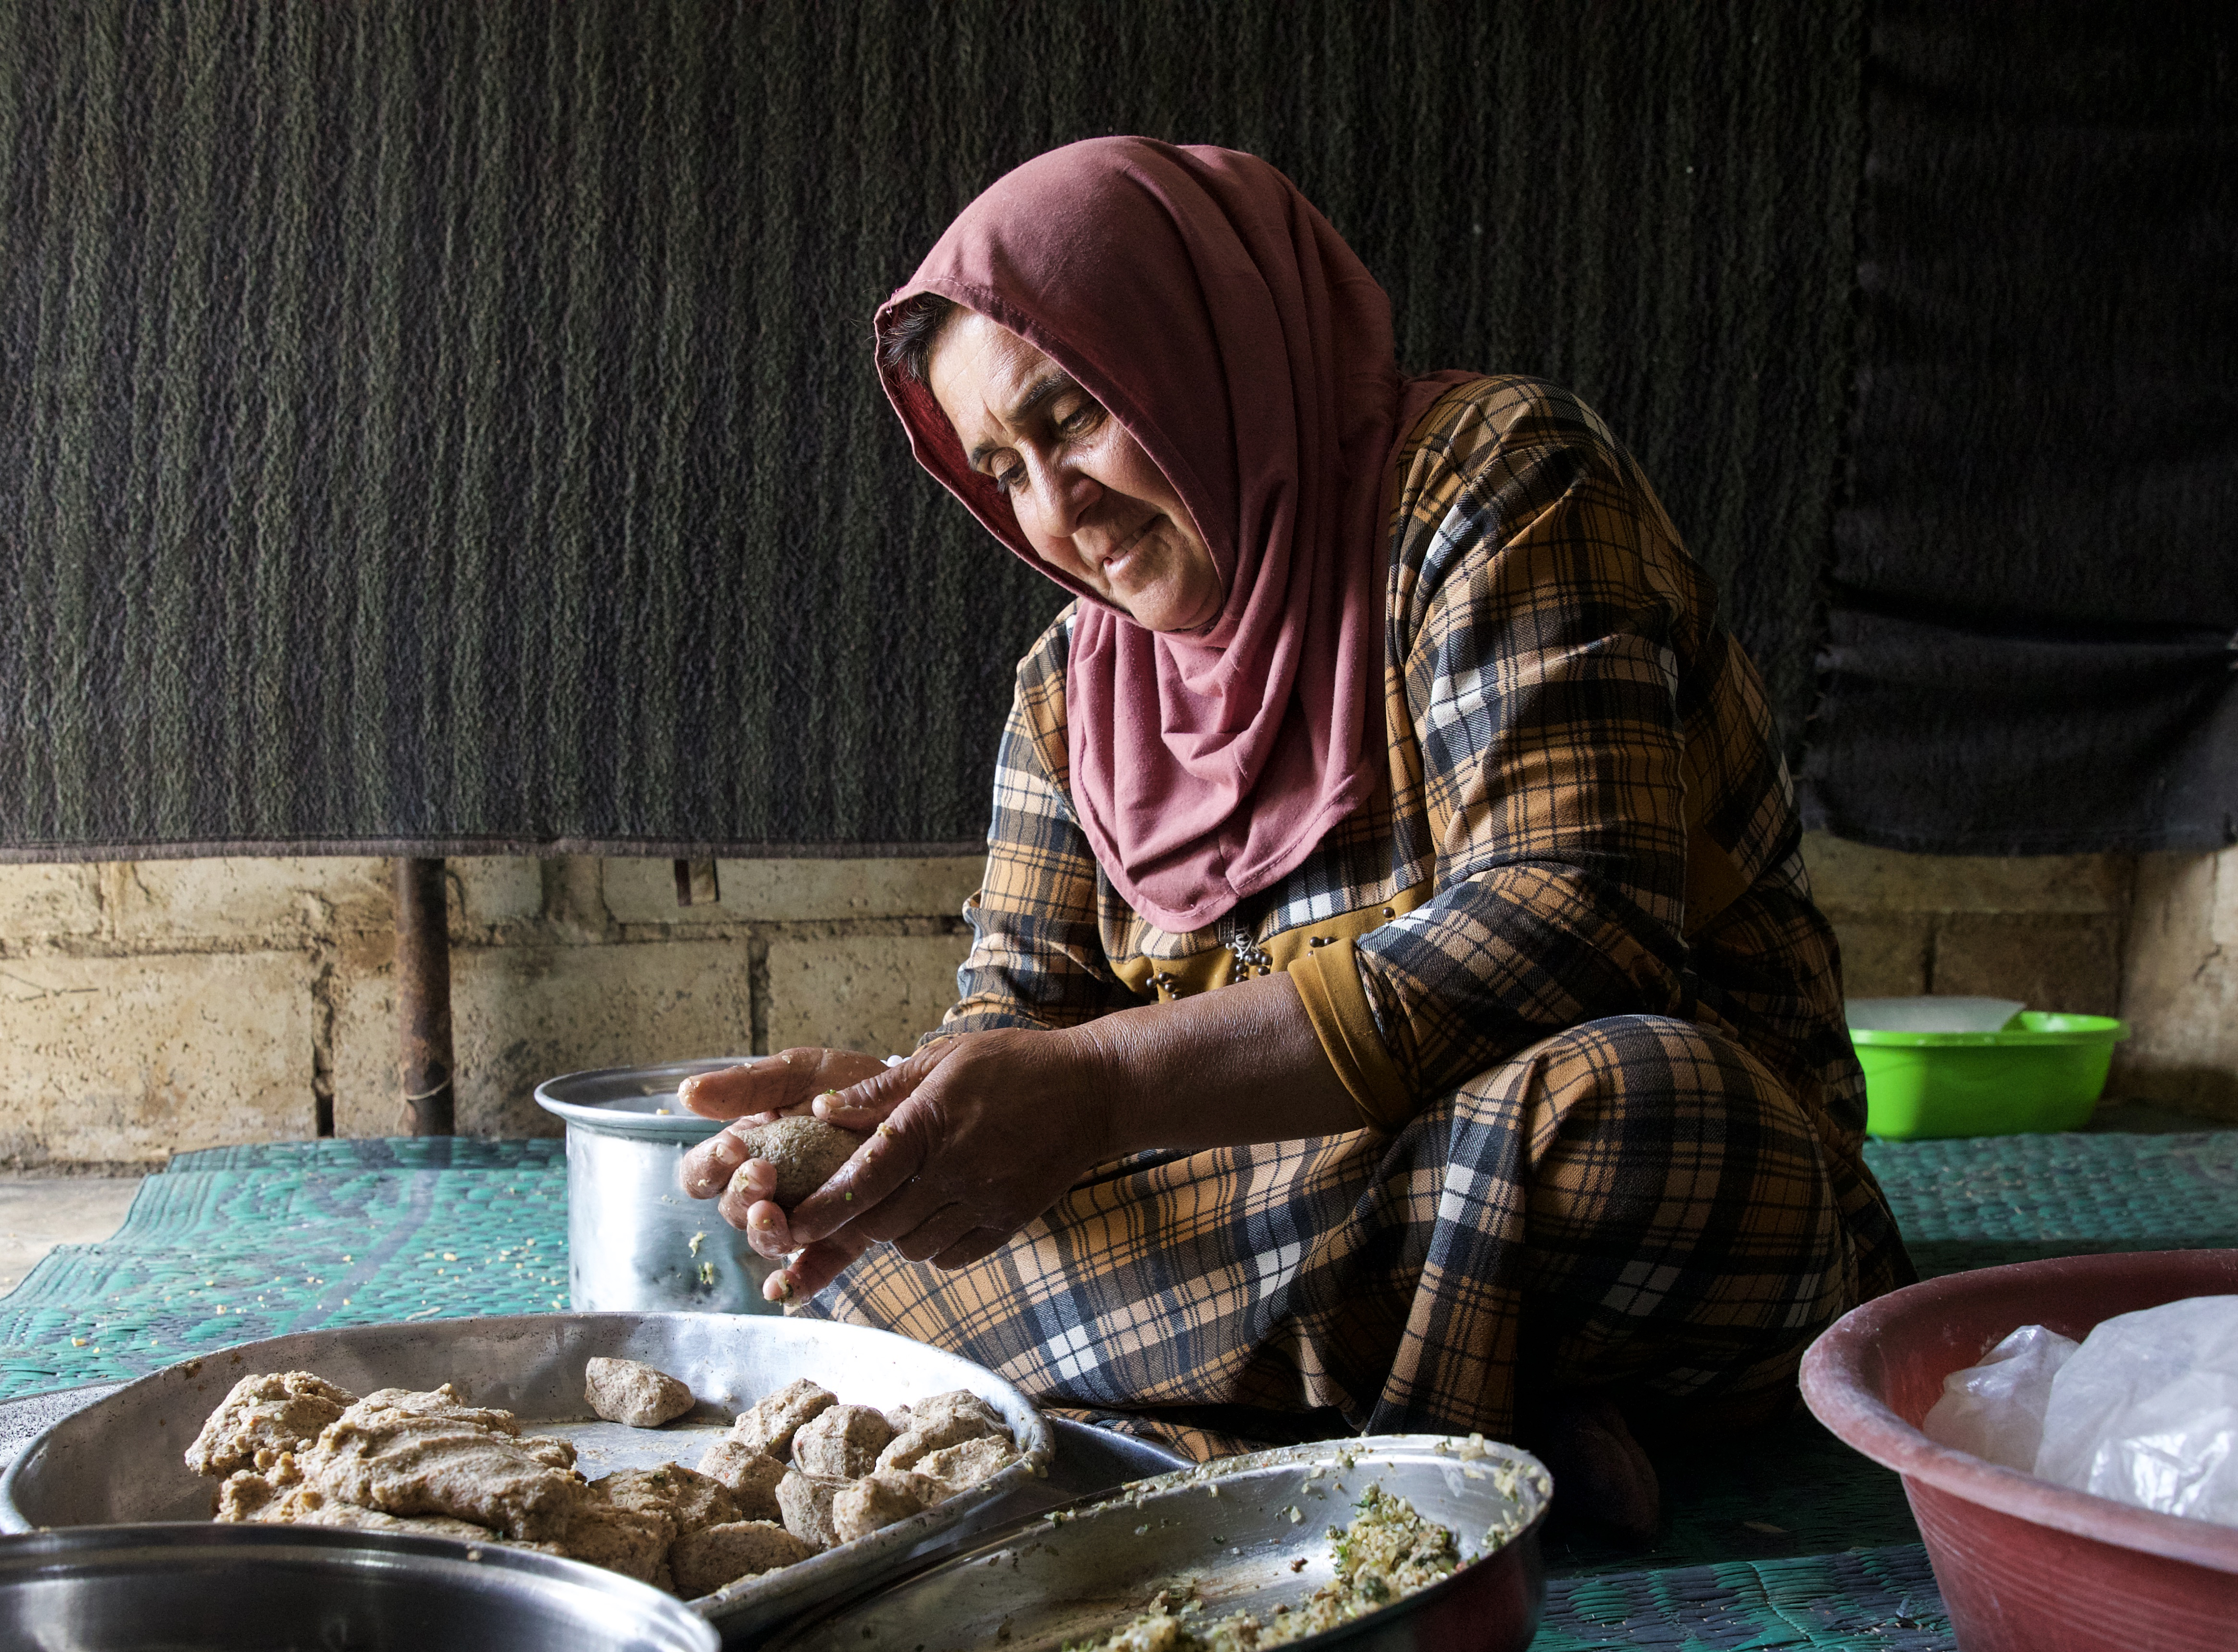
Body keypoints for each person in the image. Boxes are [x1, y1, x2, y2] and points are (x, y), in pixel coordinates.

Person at [678, 138, 1906, 1535]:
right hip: (1376, 1233)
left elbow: (1576, 922)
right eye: (1002, 469)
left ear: (1194, 347)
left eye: (1073, 414)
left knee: (1643, 1117)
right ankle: (1480, 1428)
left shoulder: (1496, 486)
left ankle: (1180, 1435)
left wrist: (1109, 1095)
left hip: (1607, 1175)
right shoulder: (1070, 690)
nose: (1056, 510)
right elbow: (1023, 1023)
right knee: (862, 1271)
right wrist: (896, 1127)